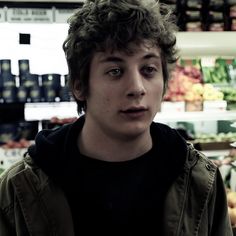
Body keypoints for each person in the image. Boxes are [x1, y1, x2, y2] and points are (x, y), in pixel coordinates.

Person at [0, 0, 233, 235]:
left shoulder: (201, 182)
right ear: (79, 85)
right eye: (115, 71)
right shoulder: (21, 190)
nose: (137, 87)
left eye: (149, 69)